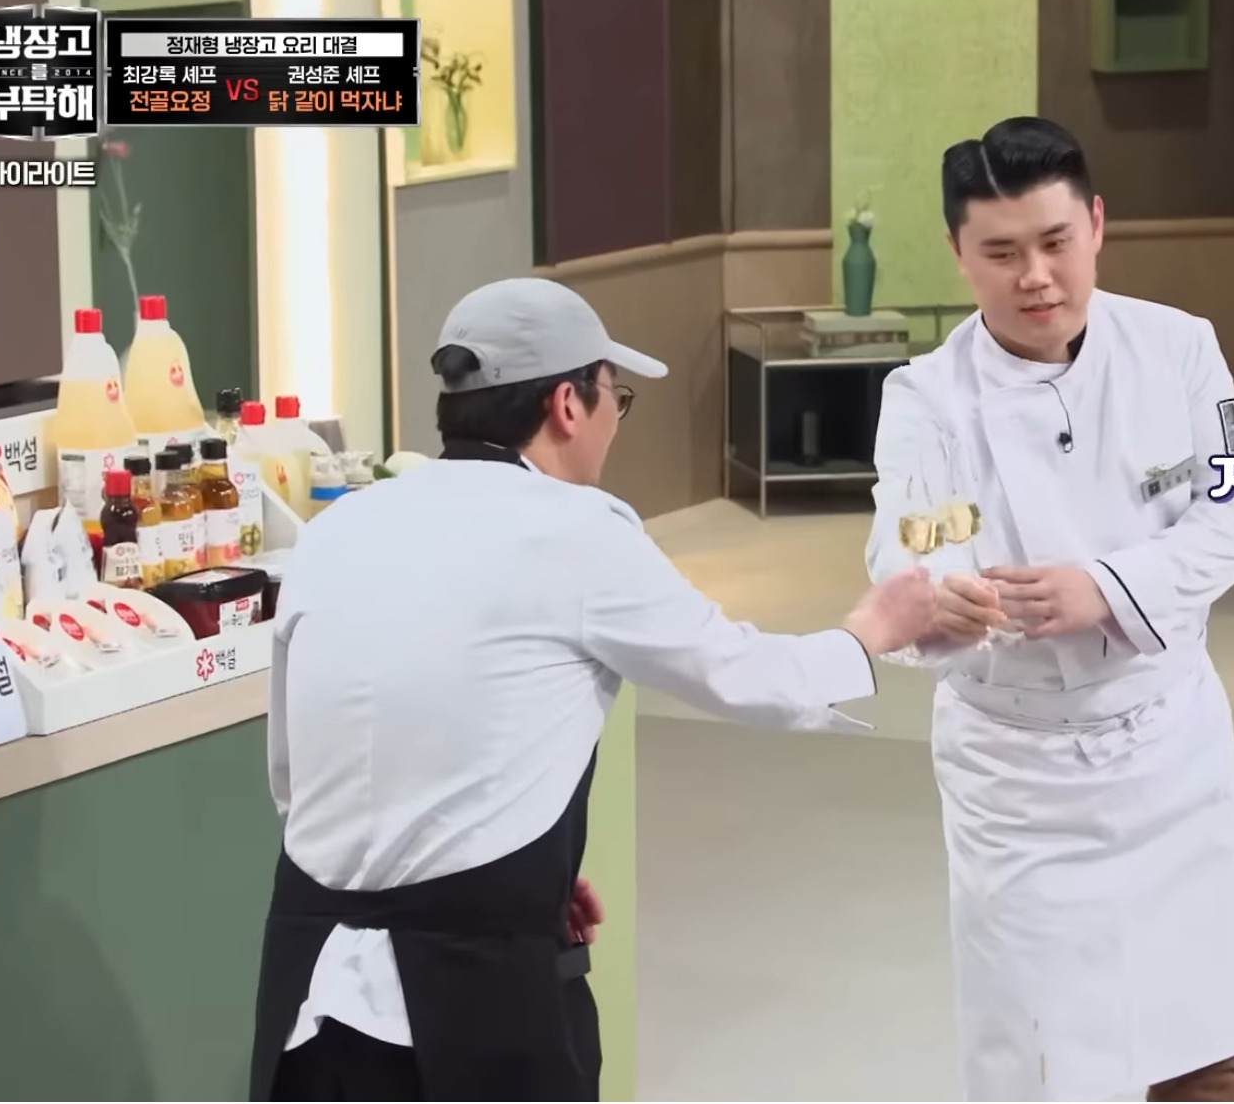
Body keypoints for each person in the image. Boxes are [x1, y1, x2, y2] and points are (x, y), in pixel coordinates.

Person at [251, 277, 936, 1101]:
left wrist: (513, 868)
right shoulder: (578, 532)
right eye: (617, 396)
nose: (615, 418)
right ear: (568, 405)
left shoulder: (337, 529)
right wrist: (869, 633)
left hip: (309, 991)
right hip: (469, 1004)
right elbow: (739, 673)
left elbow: (296, 775)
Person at [864, 118, 1234, 1102]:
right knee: (1041, 1056)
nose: (1035, 276)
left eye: (1054, 242)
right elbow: (913, 535)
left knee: (1198, 1044)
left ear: (1095, 224)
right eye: (1001, 253)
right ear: (959, 252)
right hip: (1020, 770)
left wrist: (1107, 587)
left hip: (1170, 740)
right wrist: (946, 595)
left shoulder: (1178, 348)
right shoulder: (927, 398)